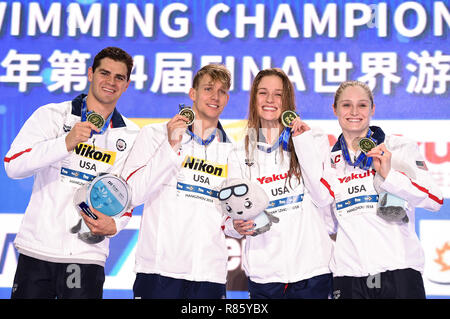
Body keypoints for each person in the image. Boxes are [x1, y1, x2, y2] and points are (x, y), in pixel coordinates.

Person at [4, 47, 139, 298]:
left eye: (119, 77)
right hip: (37, 250)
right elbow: (13, 165)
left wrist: (115, 225)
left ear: (127, 84)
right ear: (90, 73)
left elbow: (130, 193)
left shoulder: (131, 136)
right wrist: (65, 143)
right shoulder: (51, 115)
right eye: (104, 73)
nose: (111, 82)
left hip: (87, 256)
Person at [319, 80, 443, 299]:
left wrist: (389, 175)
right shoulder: (328, 161)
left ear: (373, 109)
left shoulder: (398, 148)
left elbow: (434, 200)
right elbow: (326, 223)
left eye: (362, 105)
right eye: (346, 105)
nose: (354, 112)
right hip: (348, 276)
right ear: (335, 109)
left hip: (399, 271)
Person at [122, 64, 233, 299]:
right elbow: (133, 193)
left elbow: (228, 219)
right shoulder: (154, 135)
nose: (215, 96)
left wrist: (241, 225)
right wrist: (171, 146)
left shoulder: (232, 151)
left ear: (227, 99)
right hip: (158, 271)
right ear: (192, 94)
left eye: (222, 91)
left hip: (209, 275)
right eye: (208, 89)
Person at [223, 68, 333, 299]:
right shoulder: (239, 151)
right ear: (254, 99)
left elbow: (323, 196)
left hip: (311, 271)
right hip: (265, 275)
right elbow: (231, 215)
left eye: (278, 94)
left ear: (288, 101)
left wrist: (301, 141)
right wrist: (237, 226)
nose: (270, 100)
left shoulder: (314, 138)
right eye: (263, 93)